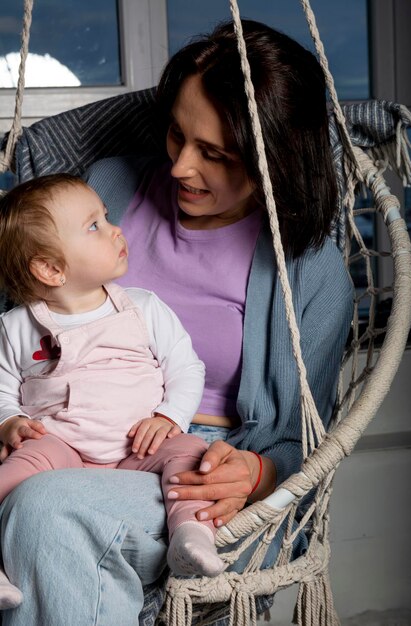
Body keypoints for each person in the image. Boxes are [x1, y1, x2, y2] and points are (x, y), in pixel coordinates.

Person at [0, 19, 354, 626]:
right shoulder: (108, 185)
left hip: (193, 465)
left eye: (215, 154)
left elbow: (304, 441)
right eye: (176, 134)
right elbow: (25, 327)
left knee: (44, 511)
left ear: (276, 158)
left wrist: (259, 471)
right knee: (41, 500)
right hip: (61, 434)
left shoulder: (309, 270)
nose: (181, 167)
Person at [0, 173, 229, 606]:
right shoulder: (16, 328)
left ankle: (191, 533)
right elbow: (1, 389)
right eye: (94, 226)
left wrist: (168, 418)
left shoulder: (142, 307)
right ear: (51, 268)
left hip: (138, 449)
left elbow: (185, 367)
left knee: (191, 455)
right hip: (61, 449)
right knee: (13, 473)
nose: (115, 229)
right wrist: (11, 421)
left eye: (105, 217)